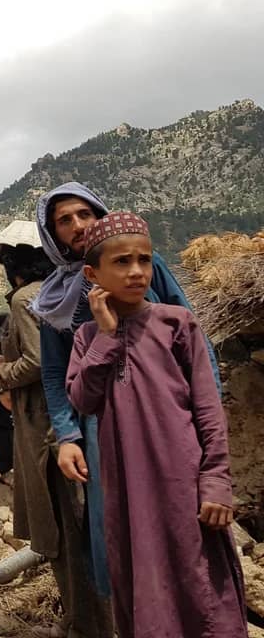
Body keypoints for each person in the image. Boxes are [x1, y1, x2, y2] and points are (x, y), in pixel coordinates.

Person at [31, 181, 221, 610]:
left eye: (85, 213)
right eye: (65, 221)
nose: (78, 225)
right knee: (122, 523)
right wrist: (67, 436)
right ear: (52, 234)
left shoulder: (145, 269)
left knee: (186, 515)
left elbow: (192, 336)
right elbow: (55, 373)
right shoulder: (53, 301)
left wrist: (211, 404)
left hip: (171, 417)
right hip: (103, 427)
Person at [67, 211, 246, 638]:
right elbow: (83, 400)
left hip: (183, 483)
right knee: (142, 578)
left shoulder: (176, 324)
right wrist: (108, 337)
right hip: (127, 490)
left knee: (198, 578)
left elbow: (207, 409)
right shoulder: (88, 338)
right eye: (122, 262)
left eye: (143, 260)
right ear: (93, 274)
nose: (136, 272)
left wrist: (216, 479)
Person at [0, 219, 110, 638]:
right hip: (66, 426)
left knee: (65, 534)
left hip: (47, 432)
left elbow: (35, 363)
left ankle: (85, 625)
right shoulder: (64, 293)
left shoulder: (27, 298)